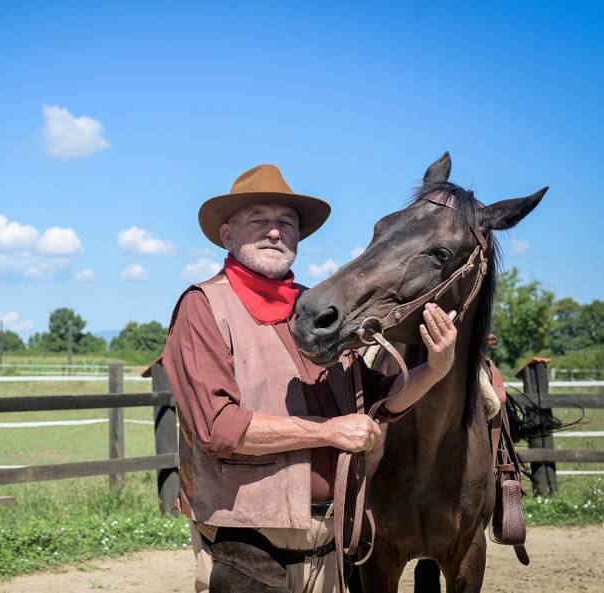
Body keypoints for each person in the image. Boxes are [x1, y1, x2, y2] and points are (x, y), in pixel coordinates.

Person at [161, 164, 459, 593]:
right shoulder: (204, 306)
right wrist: (329, 431)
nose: (275, 232)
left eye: (286, 222)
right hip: (246, 544)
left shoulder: (316, 309)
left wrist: (435, 369)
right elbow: (218, 428)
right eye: (258, 221)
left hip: (332, 541)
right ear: (227, 236)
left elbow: (375, 400)